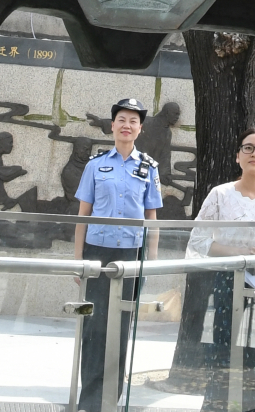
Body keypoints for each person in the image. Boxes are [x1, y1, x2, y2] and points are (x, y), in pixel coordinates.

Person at [74, 97, 162, 410]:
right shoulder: (95, 166)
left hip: (131, 255)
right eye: (121, 120)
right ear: (112, 126)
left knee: (122, 327)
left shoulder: (149, 168)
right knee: (94, 325)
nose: (127, 126)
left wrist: (150, 261)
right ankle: (90, 398)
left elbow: (151, 219)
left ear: (140, 129)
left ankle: (112, 397)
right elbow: (83, 216)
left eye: (133, 121)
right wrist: (78, 261)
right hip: (98, 253)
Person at [188, 127, 255, 382]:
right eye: (248, 148)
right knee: (225, 348)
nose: (254, 153)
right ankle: (220, 401)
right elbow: (198, 241)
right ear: (237, 156)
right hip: (229, 281)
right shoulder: (220, 194)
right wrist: (238, 253)